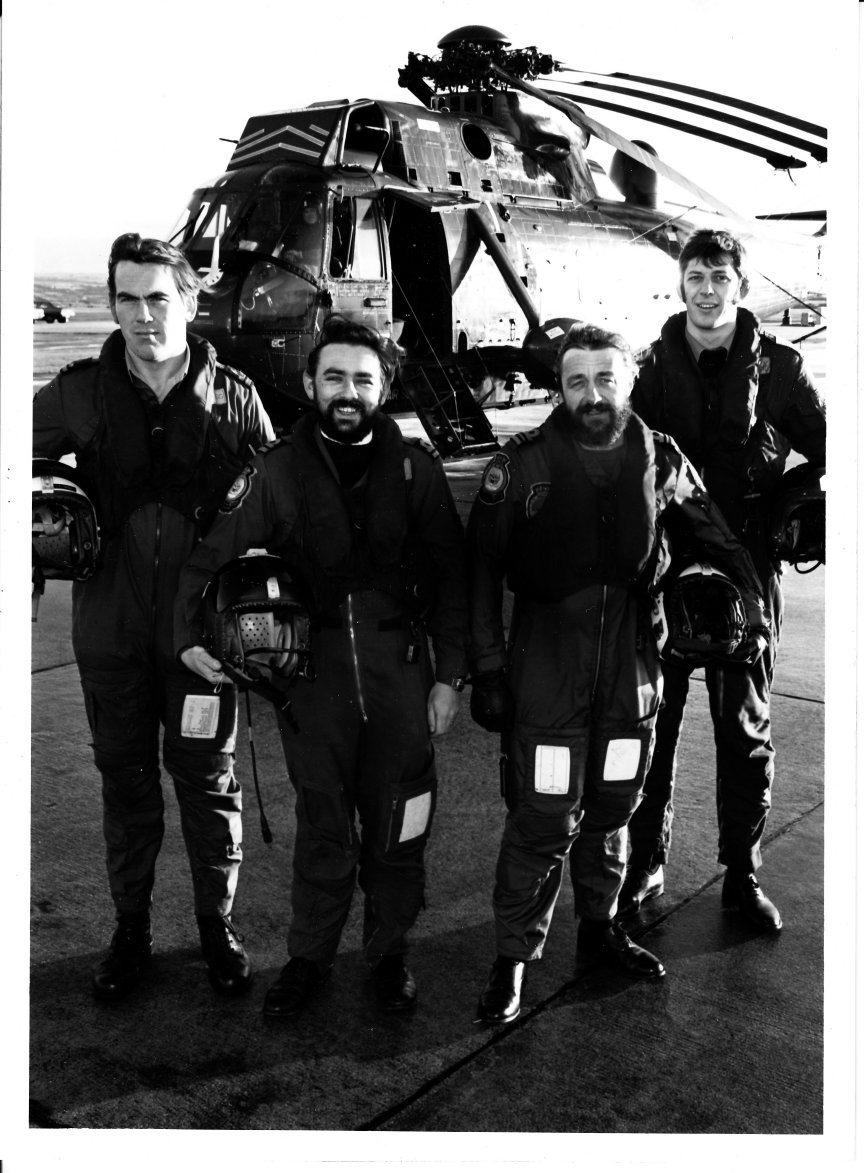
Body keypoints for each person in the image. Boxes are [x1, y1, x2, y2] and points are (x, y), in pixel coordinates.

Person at [467, 321, 771, 1025]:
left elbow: (719, 540)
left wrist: (750, 615)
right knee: (543, 817)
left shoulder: (661, 461)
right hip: (546, 668)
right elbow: (478, 571)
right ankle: (514, 956)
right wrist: (486, 667)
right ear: (560, 387)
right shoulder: (519, 467)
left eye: (606, 378)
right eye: (577, 380)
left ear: (629, 380)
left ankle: (600, 927)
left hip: (633, 672)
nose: (593, 393)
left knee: (612, 810)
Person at [175, 314, 469, 1017]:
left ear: (384, 386)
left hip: (401, 672)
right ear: (310, 382)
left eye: (363, 379)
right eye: (333, 376)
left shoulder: (416, 468)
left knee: (401, 822)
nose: (347, 390)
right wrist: (189, 633)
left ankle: (389, 953)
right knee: (325, 826)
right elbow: (212, 555)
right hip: (313, 679)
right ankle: (309, 957)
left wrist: (450, 675)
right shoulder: (277, 472)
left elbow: (453, 577)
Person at [32, 233, 274, 1001]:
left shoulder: (236, 396)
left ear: (190, 302)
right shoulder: (76, 392)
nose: (142, 316)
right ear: (112, 304)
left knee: (209, 783)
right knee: (126, 785)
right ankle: (129, 929)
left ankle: (216, 927)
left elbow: (278, 506)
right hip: (109, 634)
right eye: (127, 299)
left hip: (203, 643)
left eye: (158, 298)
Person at [620, 229, 826, 930]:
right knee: (656, 725)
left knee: (745, 734)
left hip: (747, 578)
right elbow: (630, 462)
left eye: (719, 277)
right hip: (668, 578)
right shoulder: (651, 369)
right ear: (681, 284)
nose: (707, 290)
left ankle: (741, 873)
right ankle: (645, 866)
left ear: (740, 284)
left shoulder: (783, 372)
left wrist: (802, 505)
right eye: (696, 277)